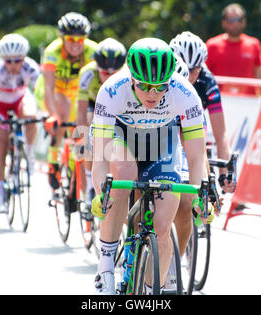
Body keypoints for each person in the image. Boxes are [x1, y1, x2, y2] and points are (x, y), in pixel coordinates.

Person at [90, 38, 209, 294]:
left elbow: (197, 154)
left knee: (163, 224)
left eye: (160, 87)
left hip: (161, 141)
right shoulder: (112, 90)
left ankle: (150, 290)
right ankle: (106, 266)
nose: (153, 94)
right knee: (123, 173)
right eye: (144, 86)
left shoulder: (185, 93)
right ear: (132, 78)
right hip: (123, 136)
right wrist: (101, 191)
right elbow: (100, 156)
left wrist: (200, 193)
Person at [170, 31, 234, 257]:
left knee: (198, 164)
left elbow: (220, 131)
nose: (189, 75)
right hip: (167, 127)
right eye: (184, 68)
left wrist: (225, 170)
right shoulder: (166, 75)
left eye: (195, 69)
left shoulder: (207, 81)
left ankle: (192, 217)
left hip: (193, 126)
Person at [34, 12, 97, 191]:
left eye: (80, 39)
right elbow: (48, 87)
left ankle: (74, 163)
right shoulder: (52, 52)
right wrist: (52, 115)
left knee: (81, 124)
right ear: (62, 38)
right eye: (71, 39)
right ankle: (53, 162)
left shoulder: (92, 50)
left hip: (76, 91)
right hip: (54, 90)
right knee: (62, 112)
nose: (76, 44)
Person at [0, 34, 40, 214]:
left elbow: (39, 92)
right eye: (8, 61)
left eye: (17, 60)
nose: (12, 65)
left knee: (32, 116)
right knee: (1, 147)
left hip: (20, 98)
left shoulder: (30, 67)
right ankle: (0, 193)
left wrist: (47, 111)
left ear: (24, 58)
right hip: (0, 105)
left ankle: (30, 154)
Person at [76, 37, 127, 210]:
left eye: (114, 73)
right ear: (97, 67)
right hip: (93, 103)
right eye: (104, 73)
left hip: (117, 107)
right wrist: (82, 138)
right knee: (91, 133)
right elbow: (81, 109)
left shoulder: (127, 74)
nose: (109, 77)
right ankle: (91, 186)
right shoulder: (87, 73)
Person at [205, 3, 261, 80]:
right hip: (219, 92)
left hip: (247, 93)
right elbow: (204, 75)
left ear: (244, 22)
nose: (235, 24)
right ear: (224, 23)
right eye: (231, 20)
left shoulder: (254, 44)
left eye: (239, 20)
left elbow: (259, 74)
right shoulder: (212, 45)